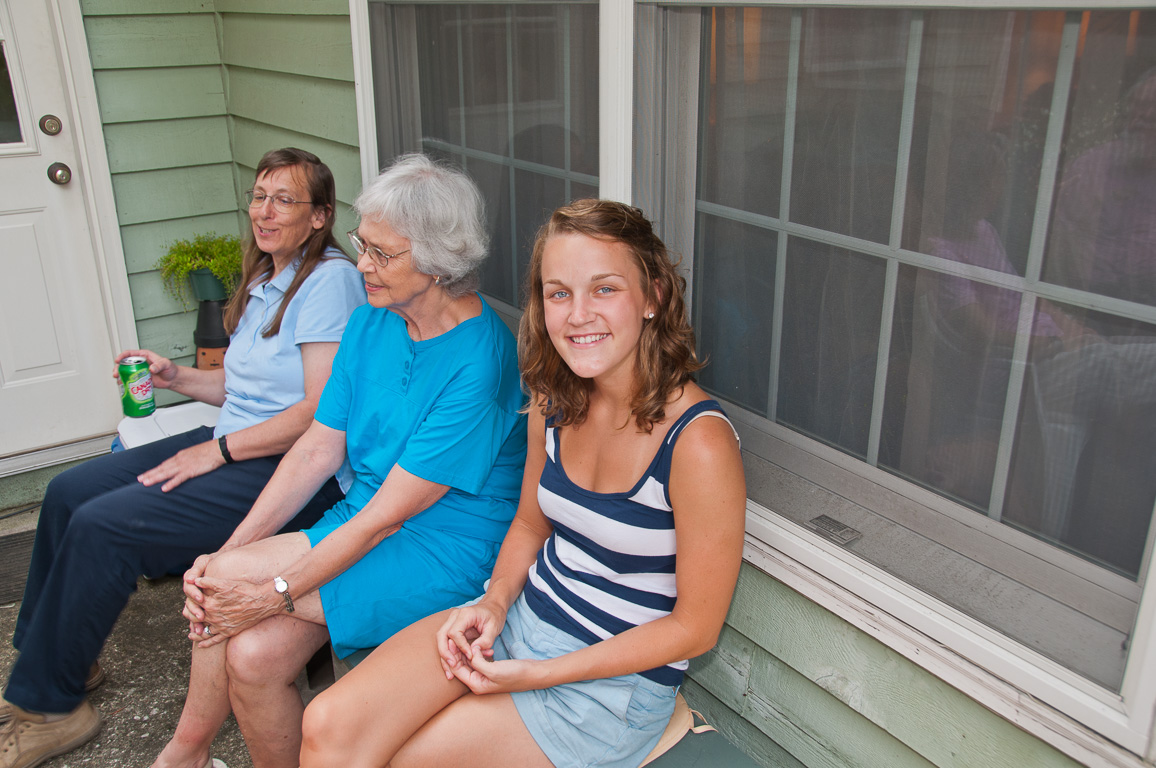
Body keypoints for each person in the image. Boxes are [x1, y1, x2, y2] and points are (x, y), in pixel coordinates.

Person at [300, 199, 747, 768]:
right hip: (521, 622)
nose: (578, 314)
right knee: (327, 726)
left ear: (653, 297)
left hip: (608, 686)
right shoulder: (553, 403)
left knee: (407, 759)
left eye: (604, 289)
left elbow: (695, 629)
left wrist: (539, 674)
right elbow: (530, 523)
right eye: (558, 293)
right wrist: (493, 601)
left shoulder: (698, 443)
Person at [149, 153, 527, 768]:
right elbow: (318, 447)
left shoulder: (480, 360)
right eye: (362, 245)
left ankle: (182, 756)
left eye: (382, 253)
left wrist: (265, 587)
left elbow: (390, 517)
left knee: (221, 592)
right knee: (251, 654)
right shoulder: (371, 322)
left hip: (446, 544)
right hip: (365, 514)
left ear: (437, 263)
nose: (361, 265)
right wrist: (231, 554)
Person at [0, 147, 366, 767]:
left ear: (321, 217)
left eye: (285, 199)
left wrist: (215, 453)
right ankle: (59, 658)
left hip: (291, 469)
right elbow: (243, 389)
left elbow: (313, 413)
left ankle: (51, 707)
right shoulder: (266, 275)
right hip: (238, 439)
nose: (265, 210)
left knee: (106, 526)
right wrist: (177, 379)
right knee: (68, 494)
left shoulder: (329, 281)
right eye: (259, 195)